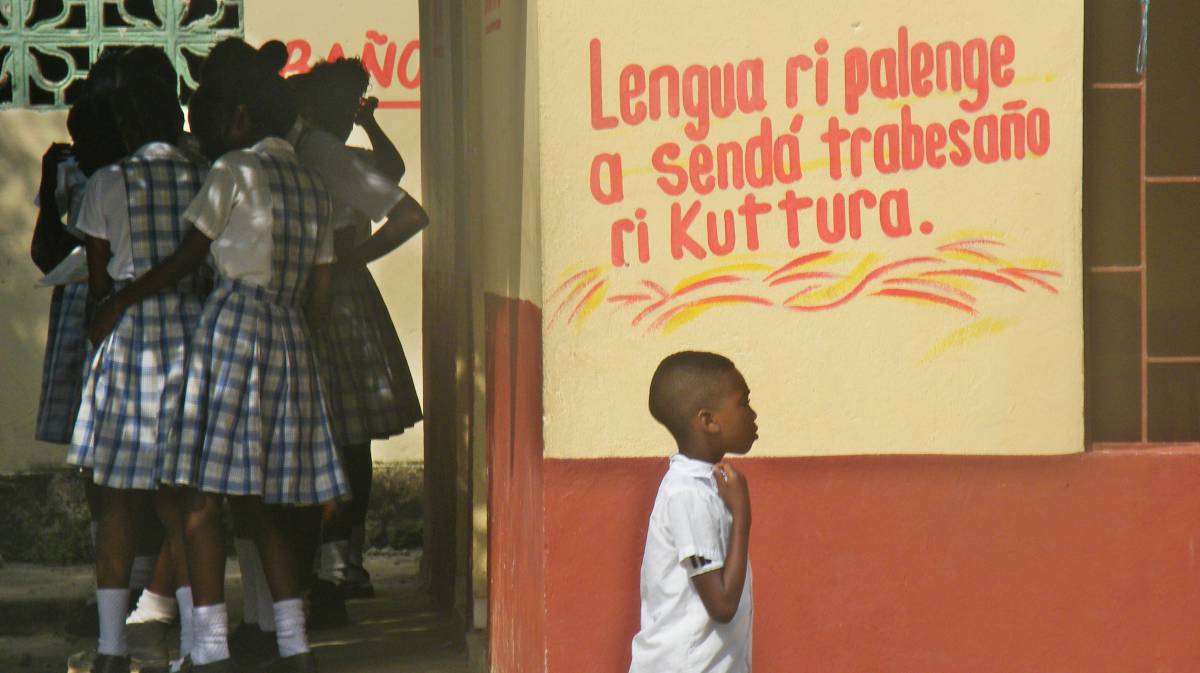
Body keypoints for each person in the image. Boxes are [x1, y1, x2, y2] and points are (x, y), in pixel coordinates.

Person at [90, 57, 348, 673]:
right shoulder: (313, 184)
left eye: (207, 111)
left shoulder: (234, 170)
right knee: (263, 507)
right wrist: (285, 334)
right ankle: (294, 643)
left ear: (238, 118)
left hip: (231, 335)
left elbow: (186, 260)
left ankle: (207, 651)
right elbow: (321, 294)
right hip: (289, 340)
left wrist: (120, 299)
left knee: (199, 501)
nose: (197, 123)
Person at [66, 74, 207, 673]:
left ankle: (109, 648)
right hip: (193, 337)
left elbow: (99, 280)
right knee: (187, 504)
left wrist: (111, 307)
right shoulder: (202, 176)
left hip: (128, 347)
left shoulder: (106, 182)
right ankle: (195, 642)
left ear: (126, 126)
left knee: (116, 503)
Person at [291, 57, 423, 624]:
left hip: (334, 297)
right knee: (341, 438)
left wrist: (349, 262)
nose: (352, 109)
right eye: (347, 100)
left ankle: (341, 564)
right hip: (330, 297)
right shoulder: (320, 150)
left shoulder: (329, 153)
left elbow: (398, 190)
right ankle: (337, 563)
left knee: (344, 438)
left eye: (358, 99)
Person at [628, 351, 757, 673]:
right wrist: (742, 516)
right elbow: (722, 603)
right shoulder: (687, 494)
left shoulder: (704, 485)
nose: (753, 415)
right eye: (743, 403)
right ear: (709, 421)